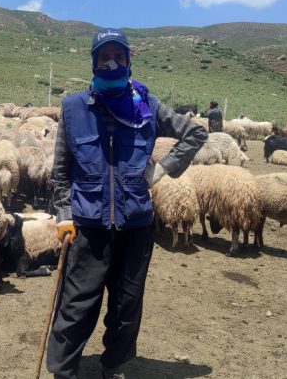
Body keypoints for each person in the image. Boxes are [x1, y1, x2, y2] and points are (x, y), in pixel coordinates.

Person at [47, 28, 208, 379]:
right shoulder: (74, 107)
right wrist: (63, 214)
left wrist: (162, 169)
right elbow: (61, 170)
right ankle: (63, 370)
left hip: (135, 224)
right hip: (88, 226)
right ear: (94, 62)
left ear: (128, 61)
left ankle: (113, 365)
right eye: (104, 56)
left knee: (127, 304)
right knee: (76, 304)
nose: (111, 63)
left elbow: (196, 132)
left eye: (119, 56)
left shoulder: (146, 105)